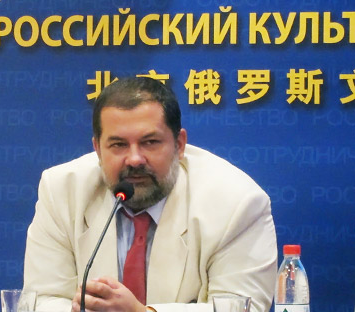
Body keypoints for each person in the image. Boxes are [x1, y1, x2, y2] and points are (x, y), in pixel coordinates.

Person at [23, 77, 277, 312]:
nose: (134, 159)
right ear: (97, 149)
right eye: (118, 145)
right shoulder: (61, 190)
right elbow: (40, 300)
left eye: (150, 142)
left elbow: (241, 307)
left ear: (179, 145)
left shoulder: (237, 202)